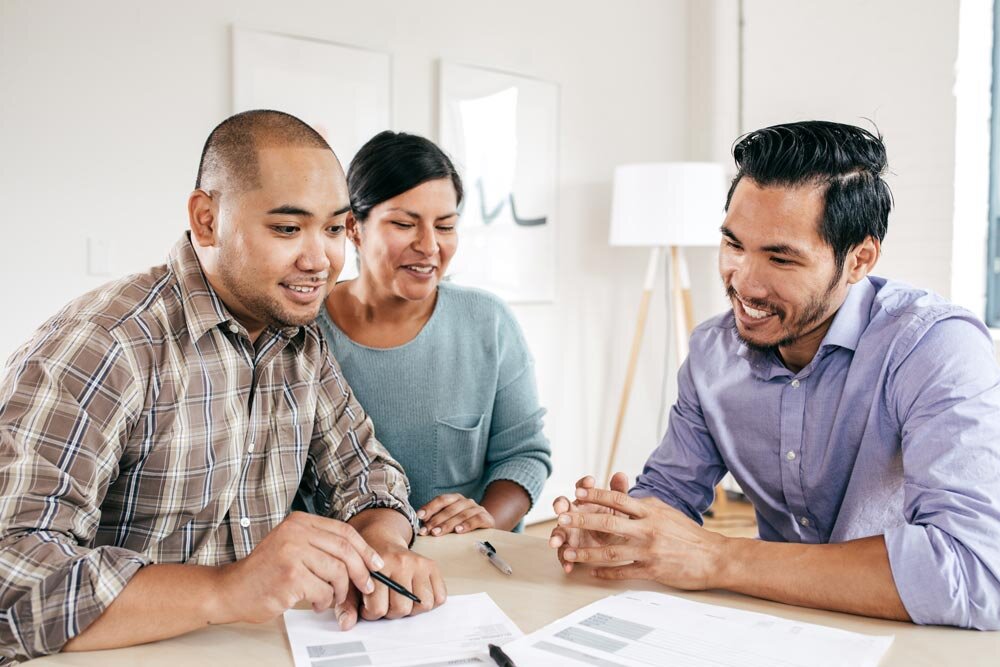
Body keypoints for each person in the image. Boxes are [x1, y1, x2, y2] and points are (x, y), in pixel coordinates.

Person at [0, 110, 445, 664]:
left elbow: (368, 471)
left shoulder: (297, 339)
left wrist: (379, 550)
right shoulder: (104, 346)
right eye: (287, 228)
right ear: (206, 219)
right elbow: (11, 573)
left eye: (333, 229)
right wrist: (226, 589)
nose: (321, 261)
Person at [549, 120, 1000, 630]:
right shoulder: (710, 353)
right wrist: (616, 529)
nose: (743, 281)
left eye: (780, 257)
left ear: (859, 260)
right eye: (734, 245)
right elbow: (670, 493)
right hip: (771, 627)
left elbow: (974, 572)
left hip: (910, 634)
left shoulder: (935, 347)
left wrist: (720, 557)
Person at [315, 131, 552, 537]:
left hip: (471, 560)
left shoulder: (488, 323)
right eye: (405, 224)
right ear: (353, 227)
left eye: (445, 226)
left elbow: (525, 455)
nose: (429, 246)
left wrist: (483, 521)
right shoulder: (307, 333)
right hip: (348, 571)